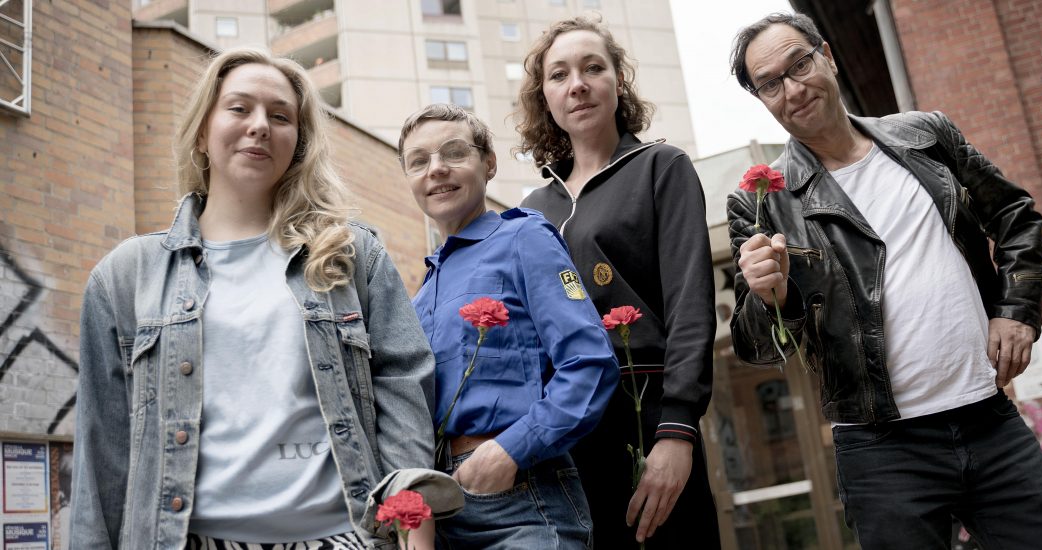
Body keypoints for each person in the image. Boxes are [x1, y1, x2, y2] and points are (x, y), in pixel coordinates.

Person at [727, 12, 1042, 549]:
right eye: (770, 83)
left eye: (799, 64)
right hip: (881, 453)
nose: (792, 87)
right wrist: (770, 295)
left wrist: (1017, 312)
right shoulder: (761, 202)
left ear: (826, 56)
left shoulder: (925, 136)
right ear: (762, 98)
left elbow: (1014, 214)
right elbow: (757, 346)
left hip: (988, 420)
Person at [70, 48, 455, 549]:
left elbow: (403, 386)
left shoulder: (351, 255)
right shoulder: (125, 276)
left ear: (297, 143)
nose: (260, 126)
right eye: (238, 108)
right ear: (203, 131)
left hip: (343, 538)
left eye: (280, 116)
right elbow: (103, 452)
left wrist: (412, 526)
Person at [517, 16, 720, 549]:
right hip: (565, 427)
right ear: (545, 97)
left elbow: (690, 302)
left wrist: (678, 428)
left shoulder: (661, 167)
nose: (577, 84)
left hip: (648, 410)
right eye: (559, 75)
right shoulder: (531, 211)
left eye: (593, 68)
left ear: (617, 82)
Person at [400, 103, 619, 548]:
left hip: (522, 499)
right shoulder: (420, 294)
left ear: (490, 163)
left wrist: (510, 451)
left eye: (453, 153)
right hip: (442, 512)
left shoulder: (524, 238)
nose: (436, 169)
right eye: (418, 161)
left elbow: (590, 363)